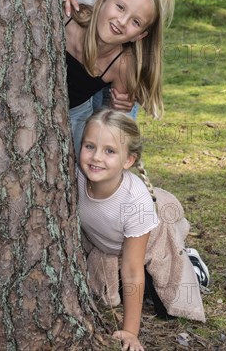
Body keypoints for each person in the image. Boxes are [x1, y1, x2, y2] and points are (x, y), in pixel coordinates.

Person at [77, 109, 207, 351]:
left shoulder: (135, 201)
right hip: (113, 245)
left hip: (152, 238)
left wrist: (130, 331)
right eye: (89, 146)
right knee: (111, 293)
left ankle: (193, 264)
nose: (96, 157)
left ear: (128, 160)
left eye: (109, 151)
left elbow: (132, 269)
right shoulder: (75, 176)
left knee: (163, 303)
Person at [65, 0, 163, 156]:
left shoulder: (122, 65)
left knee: (83, 160)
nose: (122, 21)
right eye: (120, 7)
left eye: (136, 22)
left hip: (75, 113)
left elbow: (113, 124)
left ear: (139, 36)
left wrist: (120, 107)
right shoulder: (67, 20)